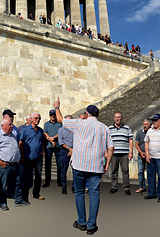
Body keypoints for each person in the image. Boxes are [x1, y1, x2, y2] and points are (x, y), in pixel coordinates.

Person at [54, 98, 114, 235]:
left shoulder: (79, 123)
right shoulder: (104, 128)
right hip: (96, 167)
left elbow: (60, 119)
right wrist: (107, 163)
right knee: (94, 195)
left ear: (86, 114)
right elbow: (111, 147)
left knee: (79, 193)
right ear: (97, 115)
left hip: (79, 165)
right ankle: (91, 225)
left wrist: (57, 107)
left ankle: (81, 222)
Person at [0, 118, 29, 210]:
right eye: (10, 124)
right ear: (3, 126)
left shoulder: (13, 135)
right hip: (5, 165)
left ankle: (19, 200)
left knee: (18, 183)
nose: (12, 126)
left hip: (15, 164)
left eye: (12, 124)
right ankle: (2, 202)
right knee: (2, 185)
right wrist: (0, 162)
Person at [19, 112, 45, 201]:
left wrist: (42, 151)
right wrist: (22, 156)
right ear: (32, 119)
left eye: (39, 119)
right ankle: (24, 196)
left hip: (38, 158)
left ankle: (36, 194)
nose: (37, 120)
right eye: (36, 118)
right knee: (28, 178)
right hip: (28, 158)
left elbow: (41, 141)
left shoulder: (40, 130)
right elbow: (21, 143)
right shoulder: (26, 130)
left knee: (38, 177)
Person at [108, 112, 133, 196]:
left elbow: (130, 140)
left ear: (121, 118)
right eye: (116, 117)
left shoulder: (127, 128)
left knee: (125, 171)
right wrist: (106, 152)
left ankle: (127, 188)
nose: (117, 119)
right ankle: (114, 187)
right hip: (114, 154)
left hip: (124, 153)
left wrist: (131, 152)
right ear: (114, 118)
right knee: (114, 171)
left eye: (119, 117)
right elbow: (107, 141)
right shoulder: (110, 128)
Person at [42, 109, 62, 188]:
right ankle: (47, 181)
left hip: (58, 146)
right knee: (47, 164)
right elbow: (44, 133)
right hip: (49, 146)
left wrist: (53, 138)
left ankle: (59, 181)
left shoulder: (60, 124)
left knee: (59, 165)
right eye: (51, 115)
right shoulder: (46, 124)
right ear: (49, 116)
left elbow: (61, 132)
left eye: (54, 115)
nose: (53, 116)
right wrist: (50, 140)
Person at [58, 115, 74, 194]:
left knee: (75, 170)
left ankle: (74, 186)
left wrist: (72, 150)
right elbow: (61, 142)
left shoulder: (75, 130)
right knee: (63, 170)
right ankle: (64, 187)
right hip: (65, 150)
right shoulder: (60, 130)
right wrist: (69, 148)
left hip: (74, 151)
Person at [135, 119, 150, 193]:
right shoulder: (139, 132)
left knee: (150, 172)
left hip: (150, 155)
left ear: (150, 125)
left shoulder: (152, 132)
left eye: (146, 124)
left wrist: (147, 153)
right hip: (141, 155)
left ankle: (151, 188)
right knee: (140, 172)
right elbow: (136, 144)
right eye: (144, 124)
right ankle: (142, 187)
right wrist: (141, 152)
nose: (145, 126)